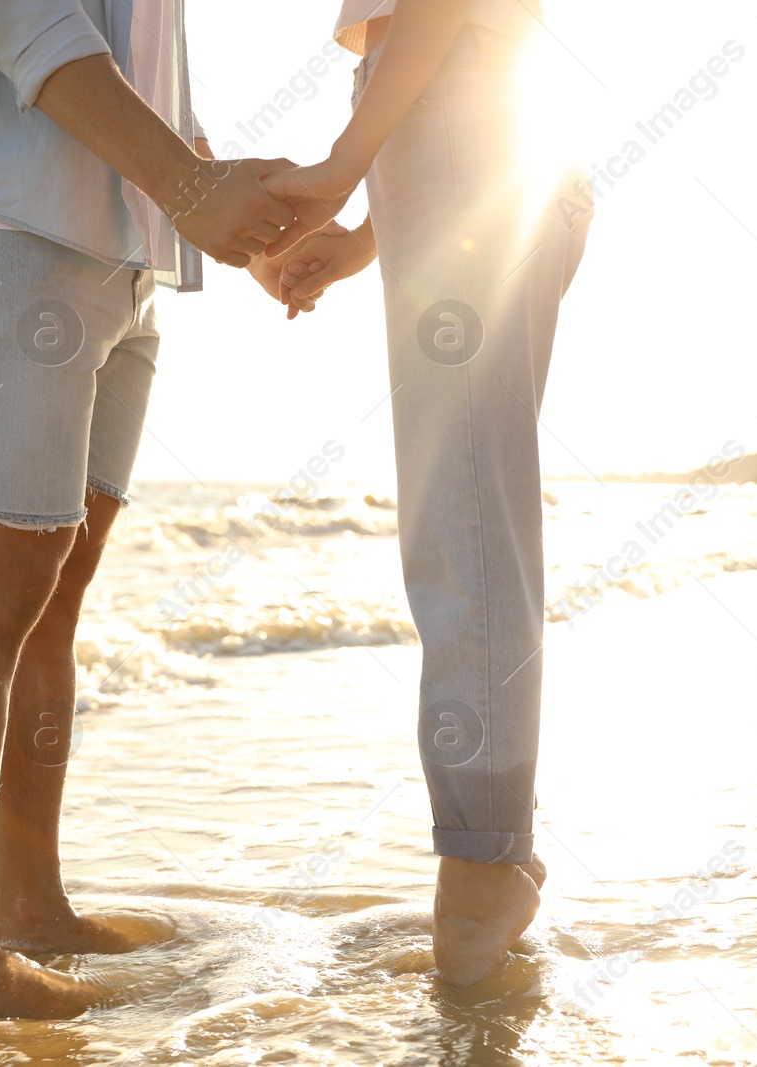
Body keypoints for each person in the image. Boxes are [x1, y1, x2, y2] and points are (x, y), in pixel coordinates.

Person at [0, 0, 318, 1019]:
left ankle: (31, 902)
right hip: (4, 222)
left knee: (52, 589)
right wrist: (192, 185)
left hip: (126, 253)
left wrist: (241, 220)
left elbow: (139, 66)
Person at [264, 0, 592, 985]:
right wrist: (368, 224)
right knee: (473, 510)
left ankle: (482, 865)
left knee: (462, 524)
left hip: (463, 142)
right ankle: (490, 852)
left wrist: (340, 162)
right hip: (477, 140)